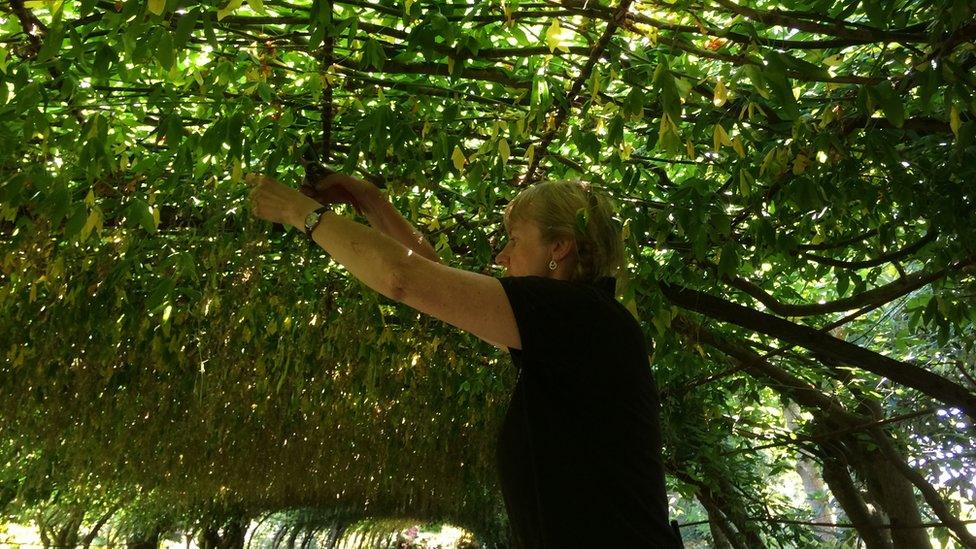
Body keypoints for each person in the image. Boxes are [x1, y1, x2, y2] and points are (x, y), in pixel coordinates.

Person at [248, 168, 683, 548]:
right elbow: (434, 275)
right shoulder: (577, 328)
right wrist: (368, 200)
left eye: (515, 240)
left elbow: (403, 278)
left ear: (560, 248)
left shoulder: (578, 316)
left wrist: (300, 213)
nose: (501, 256)